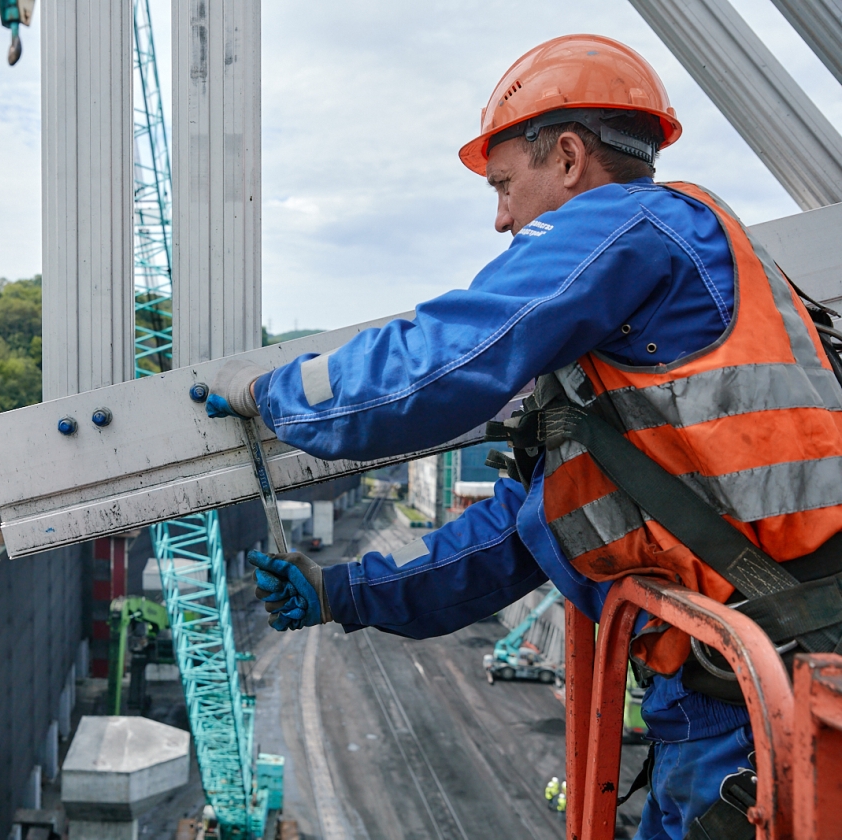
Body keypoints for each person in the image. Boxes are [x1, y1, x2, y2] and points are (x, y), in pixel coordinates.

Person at [205, 34, 842, 840]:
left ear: (570, 157)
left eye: (506, 184)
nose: (501, 217)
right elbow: (524, 528)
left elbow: (435, 367)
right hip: (739, 683)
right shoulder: (627, 348)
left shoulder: (637, 225)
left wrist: (271, 394)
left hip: (769, 684)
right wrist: (346, 592)